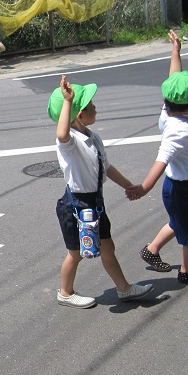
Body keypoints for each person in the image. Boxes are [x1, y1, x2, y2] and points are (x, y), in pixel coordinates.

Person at [49, 76, 154, 308]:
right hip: (75, 205)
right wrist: (68, 101)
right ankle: (65, 293)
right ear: (79, 115)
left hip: (95, 202)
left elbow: (106, 167)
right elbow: (62, 134)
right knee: (75, 253)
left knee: (108, 246)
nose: (96, 108)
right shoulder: (70, 143)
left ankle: (124, 289)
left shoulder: (93, 137)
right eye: (91, 106)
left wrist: (129, 185)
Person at [126, 30, 188, 285]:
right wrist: (144, 188)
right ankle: (187, 271)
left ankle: (151, 250)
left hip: (176, 184)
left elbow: (174, 80)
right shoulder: (182, 130)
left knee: (179, 221)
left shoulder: (167, 113)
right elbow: (162, 158)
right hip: (182, 186)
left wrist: (175, 51)